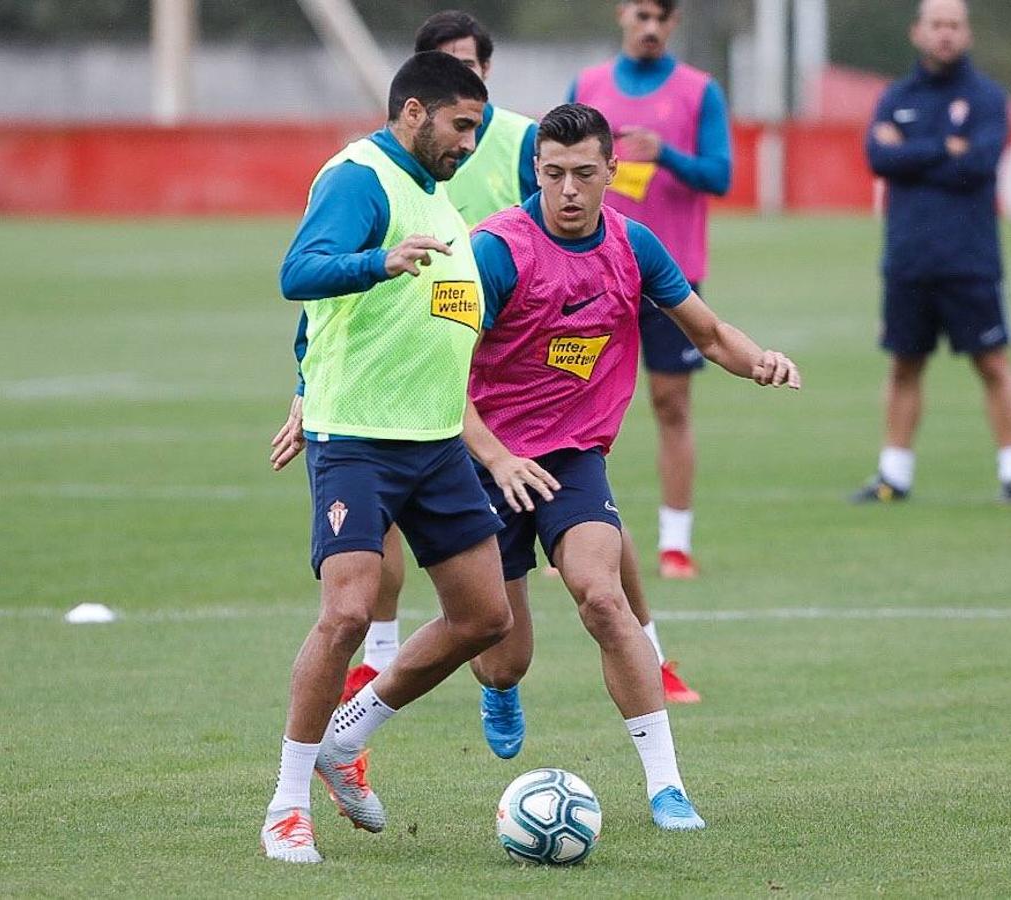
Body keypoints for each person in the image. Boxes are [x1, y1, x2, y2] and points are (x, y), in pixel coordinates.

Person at [273, 9, 703, 708]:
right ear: (418, 96)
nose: (468, 138)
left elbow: (583, 213)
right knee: (387, 593)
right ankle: (360, 694)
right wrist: (306, 379)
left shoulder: (510, 144)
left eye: (474, 72)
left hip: (510, 372)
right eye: (455, 90)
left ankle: (650, 655)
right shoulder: (378, 177)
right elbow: (312, 284)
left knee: (583, 541)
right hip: (426, 401)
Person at [454, 102, 798, 829]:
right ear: (536, 173)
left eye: (584, 174)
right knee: (500, 655)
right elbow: (439, 376)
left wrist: (758, 361)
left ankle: (666, 786)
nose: (569, 191)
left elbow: (707, 333)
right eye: (553, 175)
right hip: (488, 464)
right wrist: (497, 456)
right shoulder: (494, 250)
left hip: (574, 459)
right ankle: (499, 685)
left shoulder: (634, 245)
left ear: (613, 171)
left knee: (602, 598)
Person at [261, 52, 511, 864]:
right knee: (347, 612)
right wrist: (380, 262)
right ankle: (287, 805)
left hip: (435, 442)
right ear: (413, 112)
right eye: (460, 125)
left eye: (477, 126)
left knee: (484, 618)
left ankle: (346, 739)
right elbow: (299, 274)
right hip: (358, 439)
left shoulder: (440, 196)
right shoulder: (359, 176)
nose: (470, 142)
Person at [570, 0, 733, 578]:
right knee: (569, 401)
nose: (650, 26)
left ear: (674, 23)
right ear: (622, 15)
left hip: (670, 274)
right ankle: (562, 532)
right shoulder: (589, 84)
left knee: (671, 404)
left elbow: (721, 175)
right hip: (590, 270)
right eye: (641, 14)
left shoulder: (697, 91)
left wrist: (666, 154)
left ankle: (675, 542)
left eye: (660, 17)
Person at [852, 0, 1011, 505]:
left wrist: (912, 151)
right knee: (904, 365)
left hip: (969, 258)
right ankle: (894, 475)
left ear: (967, 34)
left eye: (954, 25)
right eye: (937, 25)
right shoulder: (897, 95)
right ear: (917, 32)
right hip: (908, 258)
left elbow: (978, 164)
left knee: (993, 363)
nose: (945, 34)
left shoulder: (986, 97)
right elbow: (878, 157)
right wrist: (942, 148)